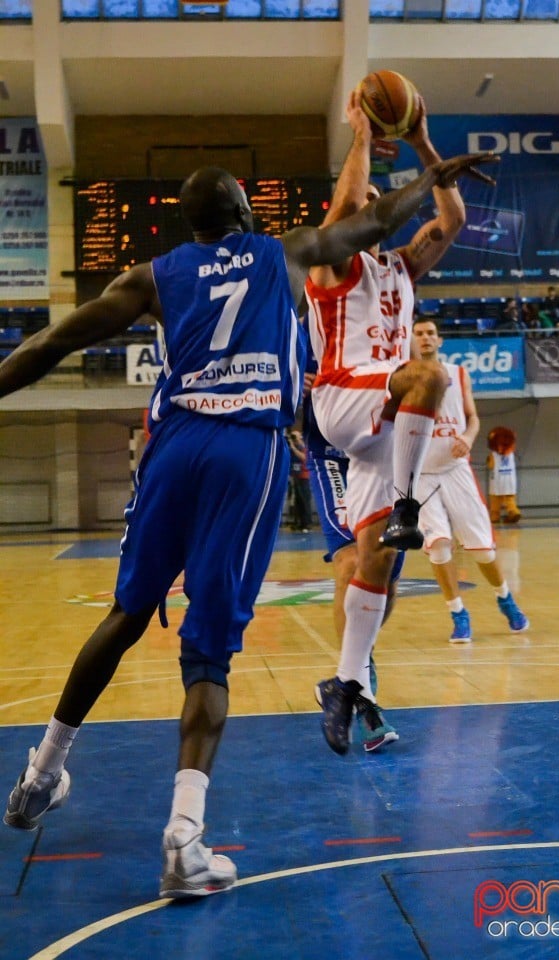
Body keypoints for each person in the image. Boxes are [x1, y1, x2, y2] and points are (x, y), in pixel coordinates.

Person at [1, 157, 497, 895]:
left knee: (126, 613)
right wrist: (433, 174)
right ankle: (184, 839)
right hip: (246, 450)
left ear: (191, 225)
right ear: (243, 214)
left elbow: (50, 345)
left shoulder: (152, 275)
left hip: (172, 450)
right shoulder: (284, 251)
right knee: (208, 654)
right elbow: (379, 221)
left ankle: (42, 773)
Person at [305, 89, 497, 753]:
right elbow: (344, 213)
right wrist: (360, 134)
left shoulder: (401, 268)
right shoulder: (332, 261)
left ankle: (345, 684)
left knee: (377, 564)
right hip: (342, 399)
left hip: (384, 430)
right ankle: (413, 503)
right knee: (431, 376)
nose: (377, 216)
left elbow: (453, 219)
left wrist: (423, 143)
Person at [301, 358, 402, 753]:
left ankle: (350, 670)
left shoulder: (390, 324)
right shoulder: (309, 324)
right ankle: (363, 697)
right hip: (332, 455)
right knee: (350, 562)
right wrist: (295, 385)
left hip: (382, 455)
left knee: (384, 578)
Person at [412, 316, 529, 644]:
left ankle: (505, 597)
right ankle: (458, 613)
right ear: (410, 340)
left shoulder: (458, 372)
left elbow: (474, 417)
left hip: (455, 468)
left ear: (440, 340)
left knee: (482, 550)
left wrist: (467, 435)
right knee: (438, 546)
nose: (425, 338)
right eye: (419, 333)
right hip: (421, 474)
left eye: (431, 333)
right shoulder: (401, 377)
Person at [286, 427, 313, 531]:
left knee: (305, 500)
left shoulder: (303, 446)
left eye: (295, 436)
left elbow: (304, 458)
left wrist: (294, 447)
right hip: (295, 476)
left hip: (304, 476)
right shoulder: (292, 447)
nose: (293, 438)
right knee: (297, 501)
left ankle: (307, 524)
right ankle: (299, 523)